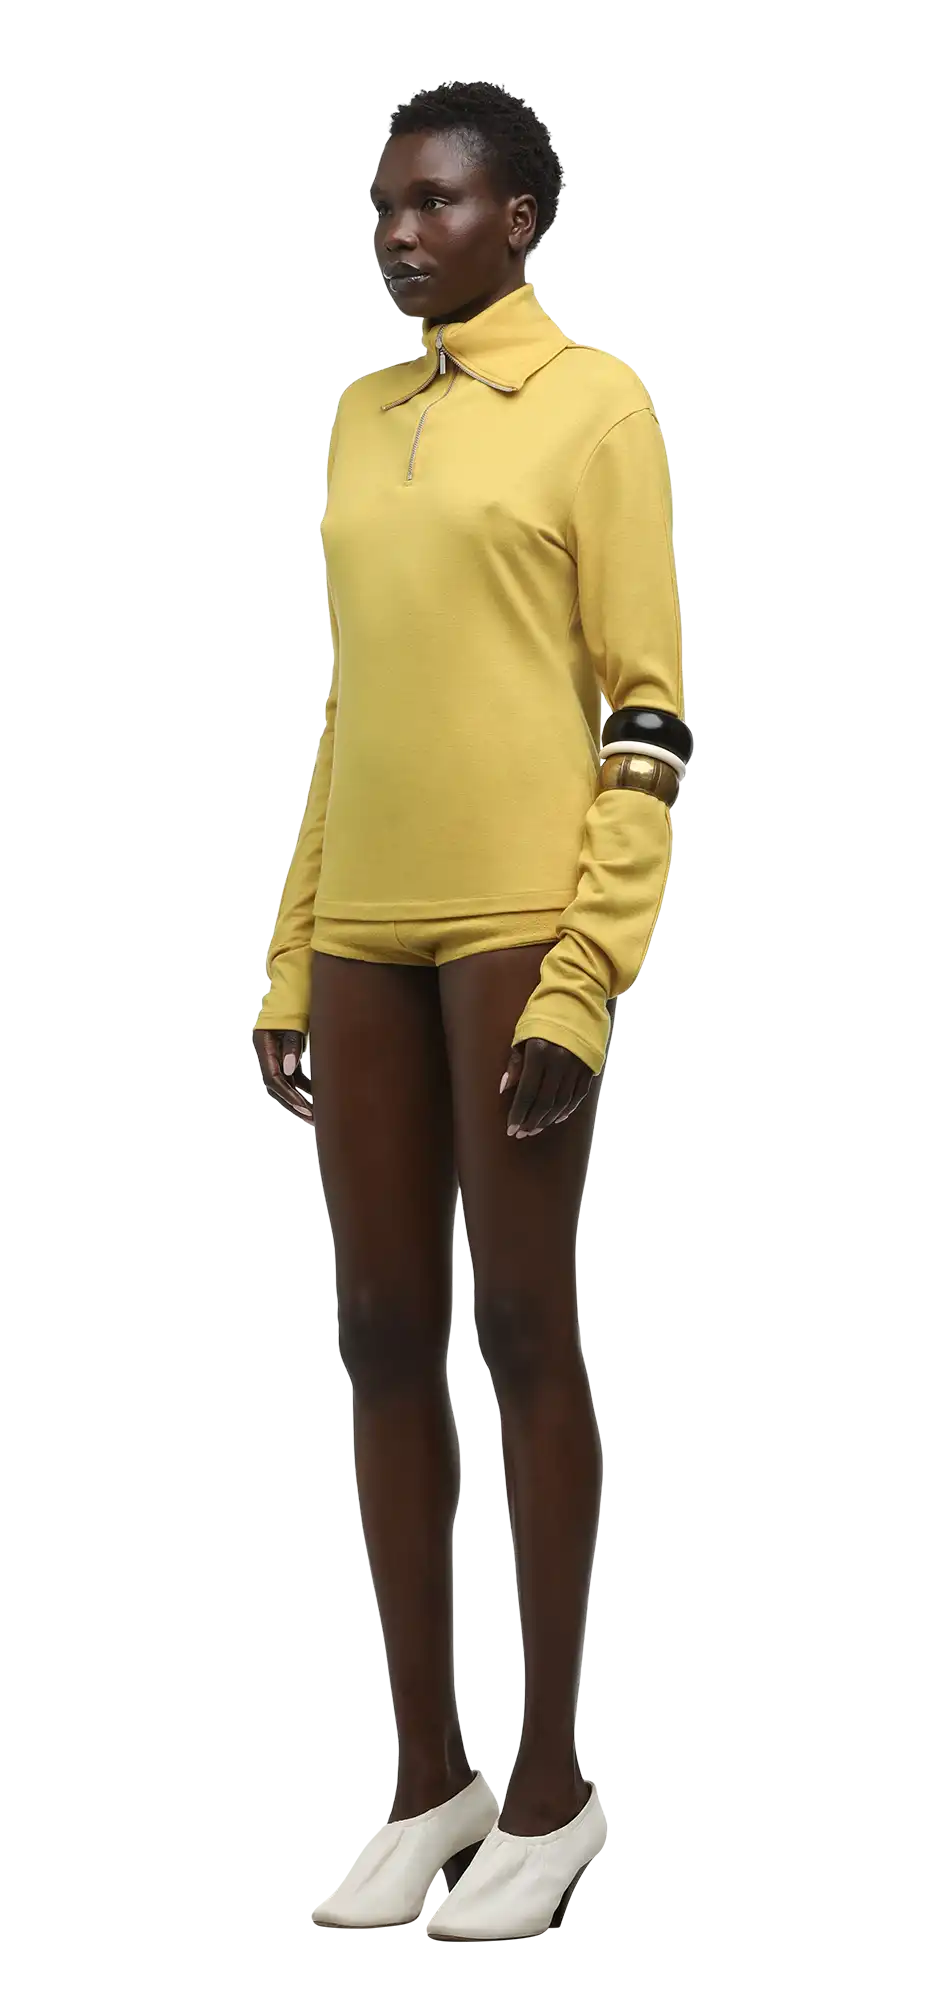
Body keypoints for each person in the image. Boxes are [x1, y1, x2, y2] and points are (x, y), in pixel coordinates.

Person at [250, 80, 693, 1942]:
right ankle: (424, 1774)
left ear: (517, 216)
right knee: (376, 1336)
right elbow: (353, 703)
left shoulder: (595, 406)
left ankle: (550, 1785)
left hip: (520, 929)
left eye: (433, 202)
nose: (395, 233)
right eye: (381, 204)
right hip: (366, 930)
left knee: (521, 1329)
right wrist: (292, 949)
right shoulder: (363, 419)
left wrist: (586, 975)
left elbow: (646, 710)